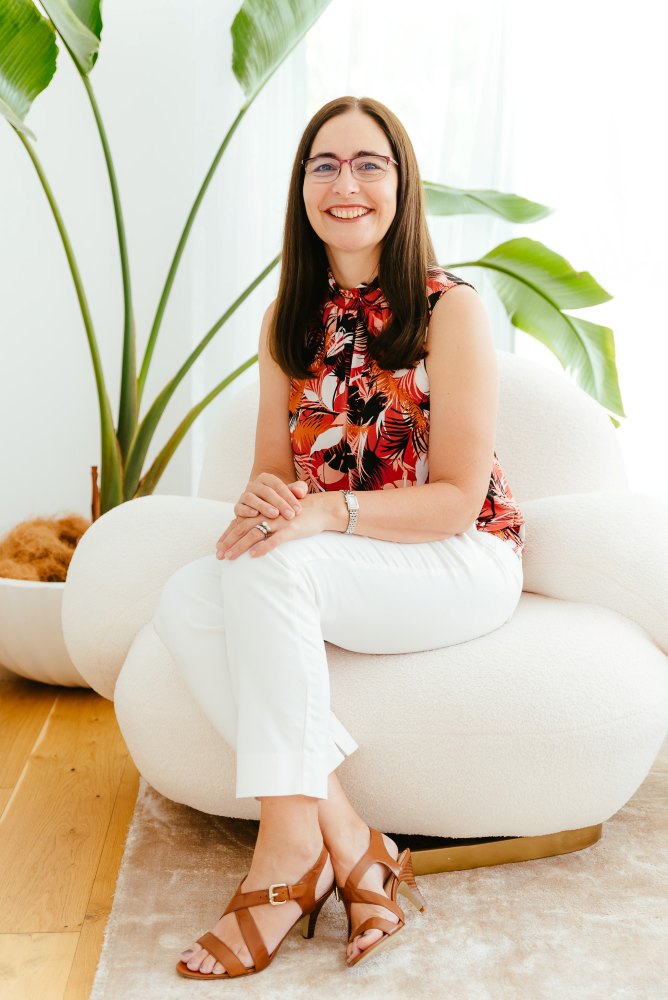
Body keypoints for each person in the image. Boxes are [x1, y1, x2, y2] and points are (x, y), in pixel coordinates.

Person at [152, 94, 525, 981]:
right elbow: (270, 472)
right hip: (343, 557)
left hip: (460, 556)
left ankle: (287, 855)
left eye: (368, 164)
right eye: (324, 165)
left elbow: (456, 500)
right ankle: (351, 840)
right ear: (302, 188)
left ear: (402, 184)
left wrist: (325, 514)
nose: (345, 184)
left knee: (275, 569)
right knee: (188, 595)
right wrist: (266, 503)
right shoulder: (288, 318)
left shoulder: (449, 309)